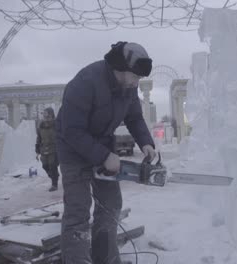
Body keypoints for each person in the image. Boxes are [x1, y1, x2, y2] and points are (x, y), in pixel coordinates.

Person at [56, 41, 156, 264]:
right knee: (78, 211)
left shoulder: (128, 88)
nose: (137, 83)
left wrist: (146, 143)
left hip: (102, 144)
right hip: (72, 149)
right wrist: (103, 156)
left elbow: (134, 118)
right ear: (120, 68)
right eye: (135, 77)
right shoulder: (85, 82)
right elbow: (71, 130)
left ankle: (106, 259)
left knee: (110, 205)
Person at [35, 107, 59, 192]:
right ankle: (54, 176)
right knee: (45, 166)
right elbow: (39, 138)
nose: (46, 118)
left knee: (53, 166)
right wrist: (37, 151)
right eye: (44, 116)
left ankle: (54, 184)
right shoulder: (41, 126)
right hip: (43, 149)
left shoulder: (56, 125)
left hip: (54, 149)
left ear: (52, 115)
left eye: (47, 116)